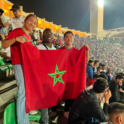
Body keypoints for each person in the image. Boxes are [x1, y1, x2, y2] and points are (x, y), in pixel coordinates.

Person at [2, 14, 37, 124]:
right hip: (18, 64)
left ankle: (24, 117)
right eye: (30, 20)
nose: (32, 24)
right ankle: (22, 121)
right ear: (25, 20)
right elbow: (4, 44)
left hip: (27, 66)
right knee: (22, 92)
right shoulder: (17, 31)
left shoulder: (29, 37)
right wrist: (16, 39)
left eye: (35, 23)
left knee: (26, 92)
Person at [49, 31, 90, 122]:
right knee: (57, 92)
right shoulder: (59, 51)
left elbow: (85, 60)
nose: (69, 38)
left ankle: (67, 111)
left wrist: (87, 51)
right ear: (64, 39)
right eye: (67, 37)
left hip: (71, 77)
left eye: (70, 37)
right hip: (61, 77)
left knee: (71, 92)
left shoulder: (77, 51)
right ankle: (54, 110)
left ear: (73, 39)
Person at [37, 28, 56, 124]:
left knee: (48, 101)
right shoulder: (38, 47)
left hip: (52, 79)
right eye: (46, 33)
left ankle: (44, 120)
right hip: (42, 79)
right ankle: (44, 121)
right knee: (44, 101)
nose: (48, 35)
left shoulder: (55, 49)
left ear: (52, 36)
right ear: (43, 36)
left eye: (50, 33)